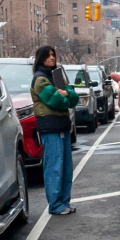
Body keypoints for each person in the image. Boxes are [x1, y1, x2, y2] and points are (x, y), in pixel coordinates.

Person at [30, 46, 79, 216]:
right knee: (54, 167)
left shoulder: (56, 75)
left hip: (63, 126)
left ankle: (64, 202)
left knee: (65, 168)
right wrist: (66, 95)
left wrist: (66, 93)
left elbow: (74, 98)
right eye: (48, 55)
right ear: (41, 58)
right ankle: (55, 205)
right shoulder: (40, 79)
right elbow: (56, 101)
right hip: (50, 128)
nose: (52, 58)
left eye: (53, 55)